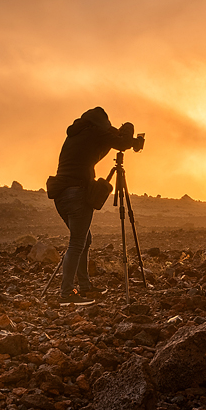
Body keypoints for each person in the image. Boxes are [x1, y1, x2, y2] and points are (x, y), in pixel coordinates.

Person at [47, 107, 137, 300]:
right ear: (102, 123)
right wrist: (128, 127)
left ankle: (84, 286)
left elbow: (110, 138)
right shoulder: (96, 132)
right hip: (76, 192)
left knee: (83, 240)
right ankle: (66, 293)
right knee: (77, 242)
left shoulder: (77, 133)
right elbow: (122, 143)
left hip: (61, 195)